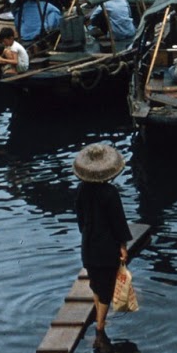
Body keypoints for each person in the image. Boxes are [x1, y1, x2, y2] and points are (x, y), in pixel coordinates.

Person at [73, 143, 131, 337]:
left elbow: (80, 219)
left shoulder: (81, 190)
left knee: (96, 284)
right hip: (106, 247)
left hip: (88, 245)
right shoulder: (110, 193)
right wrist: (122, 245)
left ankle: (99, 317)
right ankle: (100, 326)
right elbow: (118, 222)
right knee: (106, 288)